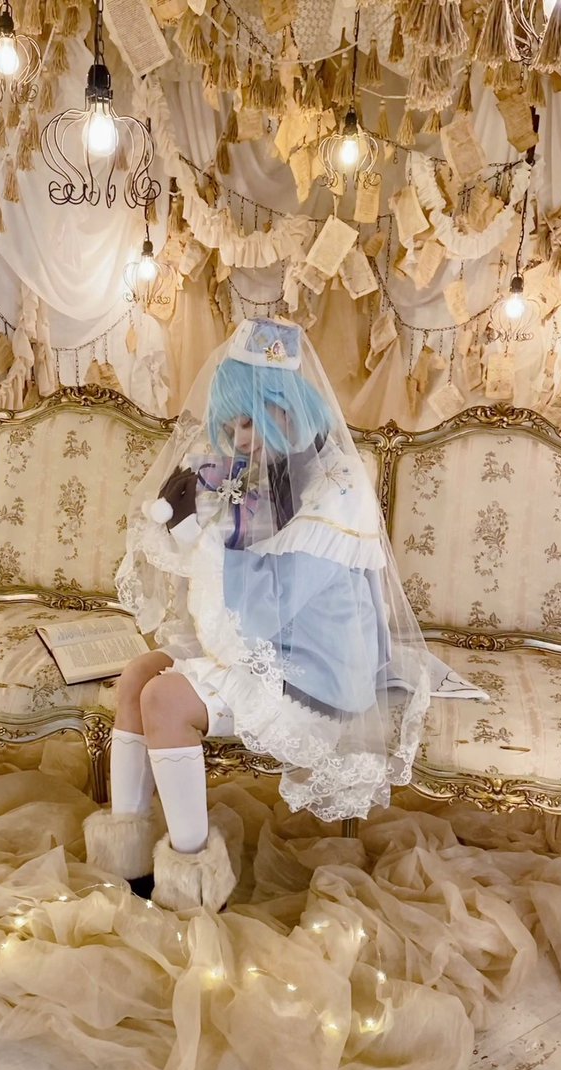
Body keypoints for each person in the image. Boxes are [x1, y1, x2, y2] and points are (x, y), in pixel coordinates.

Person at [83, 317, 481, 912]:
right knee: (138, 674)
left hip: (313, 664)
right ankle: (128, 858)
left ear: (285, 407)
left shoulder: (335, 487)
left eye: (249, 422)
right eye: (231, 425)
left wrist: (202, 535)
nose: (238, 438)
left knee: (163, 699)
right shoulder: (263, 466)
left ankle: (191, 886)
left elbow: (266, 606)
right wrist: (196, 514)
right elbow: (241, 573)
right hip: (264, 637)